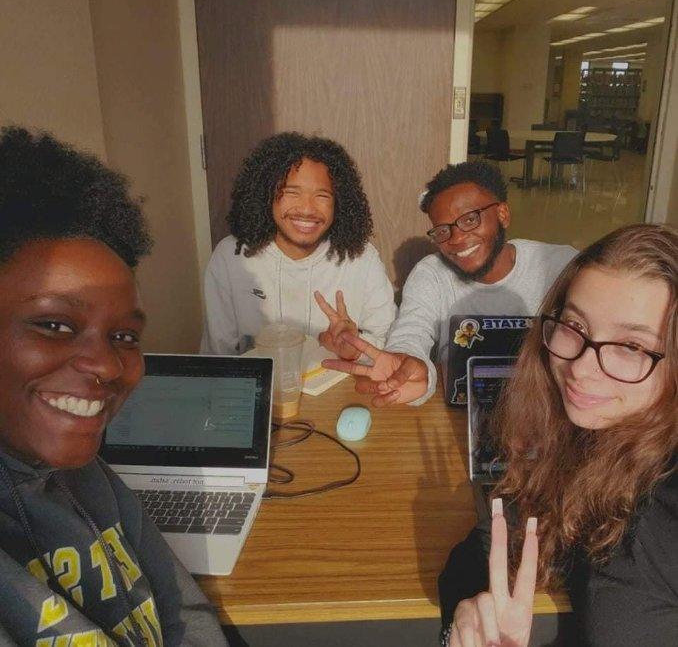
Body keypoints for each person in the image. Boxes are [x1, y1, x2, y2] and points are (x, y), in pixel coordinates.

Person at [0, 127, 227, 645]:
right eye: (54, 325)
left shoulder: (89, 477)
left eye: (124, 335)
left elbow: (182, 611)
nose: (107, 365)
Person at [438, 223, 678, 646]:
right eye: (575, 327)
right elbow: (479, 553)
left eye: (632, 347)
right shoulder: (590, 438)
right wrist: (469, 616)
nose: (580, 369)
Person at [323, 161, 576, 405]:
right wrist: (407, 360)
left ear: (502, 214)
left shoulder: (559, 266)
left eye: (469, 219)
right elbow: (412, 331)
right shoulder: (432, 274)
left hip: (548, 412)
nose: (457, 238)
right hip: (460, 415)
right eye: (443, 230)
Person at [200, 132, 395, 361]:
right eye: (291, 192)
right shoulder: (232, 256)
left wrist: (354, 349)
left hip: (338, 391)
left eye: (322, 196)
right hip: (258, 392)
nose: (307, 209)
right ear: (267, 195)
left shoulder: (362, 258)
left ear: (339, 203)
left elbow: (387, 343)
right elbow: (217, 355)